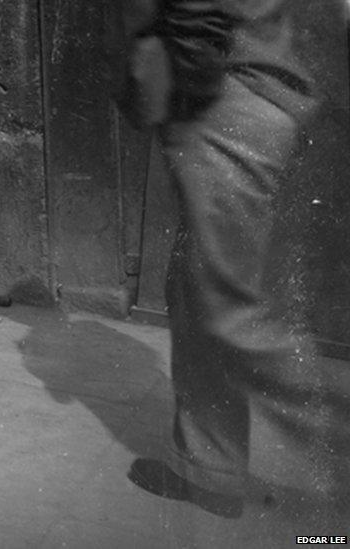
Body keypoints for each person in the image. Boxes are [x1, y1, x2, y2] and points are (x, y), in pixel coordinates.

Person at [116, 0, 339, 518]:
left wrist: (181, 83)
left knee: (231, 310)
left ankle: (339, 473)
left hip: (224, 92)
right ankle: (206, 469)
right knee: (195, 290)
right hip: (228, 85)